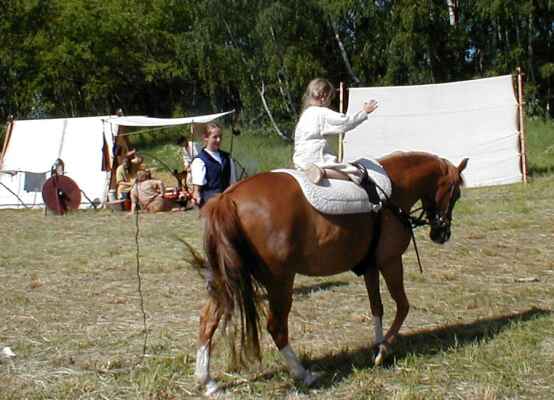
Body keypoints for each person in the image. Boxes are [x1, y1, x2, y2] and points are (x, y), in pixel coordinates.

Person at [293, 78, 378, 185]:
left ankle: (311, 170)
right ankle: (321, 172)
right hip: (317, 157)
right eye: (330, 98)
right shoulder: (322, 113)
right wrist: (364, 112)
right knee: (355, 174)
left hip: (300, 161)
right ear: (324, 96)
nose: (330, 101)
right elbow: (346, 122)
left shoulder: (304, 115)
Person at [190, 123, 237, 207]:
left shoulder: (227, 157)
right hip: (210, 203)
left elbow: (233, 182)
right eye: (215, 137)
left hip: (227, 201)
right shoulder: (200, 160)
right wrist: (196, 195)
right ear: (206, 137)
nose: (218, 140)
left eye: (220, 137)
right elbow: (197, 188)